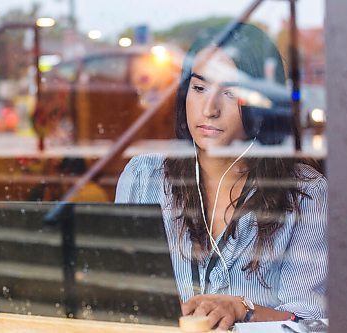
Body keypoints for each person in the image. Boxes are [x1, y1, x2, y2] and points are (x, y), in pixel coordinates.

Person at [115, 23, 327, 330]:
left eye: (230, 92)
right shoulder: (143, 177)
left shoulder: (306, 193)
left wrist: (243, 309)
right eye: (199, 88)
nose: (209, 110)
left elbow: (311, 320)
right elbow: (116, 291)